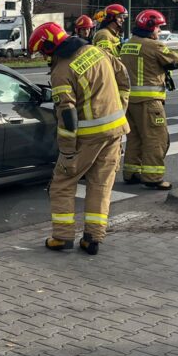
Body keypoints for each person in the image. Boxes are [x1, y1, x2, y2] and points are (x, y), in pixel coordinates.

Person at [29, 22, 130, 256]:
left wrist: (66, 152)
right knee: (100, 184)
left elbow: (67, 115)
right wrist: (120, 107)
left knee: (62, 184)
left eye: (43, 51)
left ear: (50, 45)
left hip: (88, 137)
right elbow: (123, 76)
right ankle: (92, 238)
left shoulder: (61, 71)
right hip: (115, 131)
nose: (44, 56)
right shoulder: (96, 50)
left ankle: (62, 237)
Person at [118, 9, 178, 189]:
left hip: (130, 101)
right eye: (158, 28)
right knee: (156, 138)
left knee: (135, 138)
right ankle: (153, 178)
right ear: (149, 27)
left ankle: (131, 173)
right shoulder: (154, 46)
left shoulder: (128, 44)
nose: (159, 31)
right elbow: (175, 62)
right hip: (149, 102)